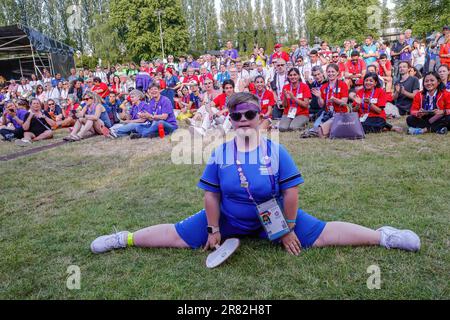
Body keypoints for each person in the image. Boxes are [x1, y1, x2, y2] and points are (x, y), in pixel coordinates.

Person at [91, 92, 421, 256]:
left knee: (322, 234)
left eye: (250, 113)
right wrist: (213, 228)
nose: (244, 119)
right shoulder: (220, 152)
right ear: (230, 120)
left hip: (273, 217)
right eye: (238, 116)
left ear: (260, 116)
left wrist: (289, 229)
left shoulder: (276, 150)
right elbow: (211, 194)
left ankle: (384, 236)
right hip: (229, 217)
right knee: (177, 235)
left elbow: (291, 193)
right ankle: (123, 238)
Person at [312, 64, 350, 138]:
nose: (330, 74)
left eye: (333, 72)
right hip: (328, 113)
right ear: (326, 73)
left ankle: (333, 130)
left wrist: (335, 100)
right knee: (316, 127)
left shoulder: (343, 85)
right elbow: (321, 105)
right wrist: (319, 97)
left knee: (320, 131)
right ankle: (332, 130)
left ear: (337, 73)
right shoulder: (324, 86)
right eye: (329, 72)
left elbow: (344, 103)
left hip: (339, 113)